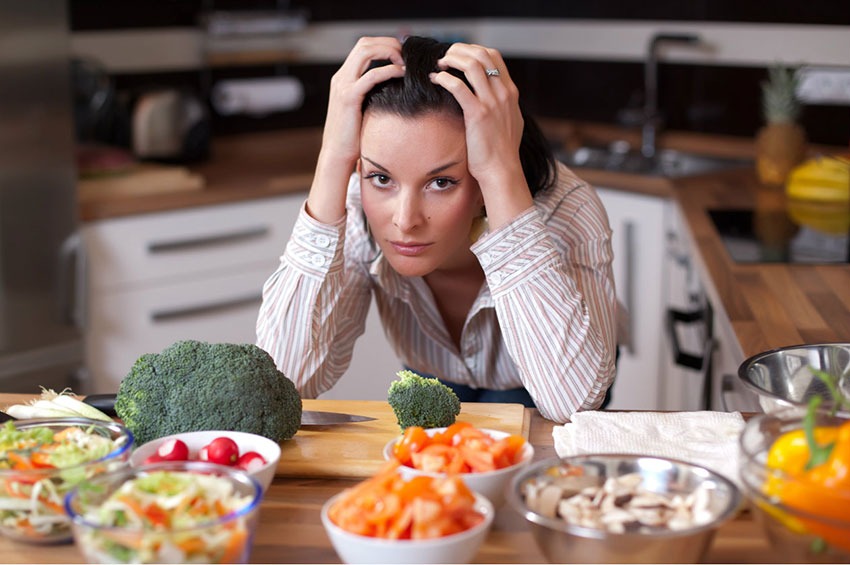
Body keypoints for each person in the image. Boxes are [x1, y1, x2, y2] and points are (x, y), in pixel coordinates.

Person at [256, 36, 618, 423]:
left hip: (550, 380)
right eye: (381, 177)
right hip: (433, 374)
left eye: (441, 182)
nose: (404, 219)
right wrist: (331, 157)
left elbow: (572, 404)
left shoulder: (566, 210)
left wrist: (500, 172)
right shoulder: (356, 204)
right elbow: (283, 380)